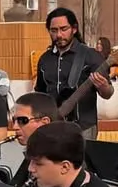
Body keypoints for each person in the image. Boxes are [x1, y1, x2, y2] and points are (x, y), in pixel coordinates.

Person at [33, 8, 113, 139]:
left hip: (83, 127)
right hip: (53, 127)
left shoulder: (90, 56)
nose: (59, 35)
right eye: (54, 30)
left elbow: (108, 94)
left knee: (81, 160)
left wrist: (103, 86)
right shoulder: (44, 59)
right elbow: (40, 94)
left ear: (74, 29)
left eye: (63, 29)